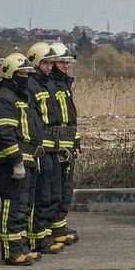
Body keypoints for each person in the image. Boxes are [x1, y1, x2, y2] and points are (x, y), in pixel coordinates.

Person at [0, 52, 40, 265]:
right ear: (9, 73)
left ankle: (21, 246)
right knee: (14, 205)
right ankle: (12, 251)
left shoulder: (21, 97)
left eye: (28, 73)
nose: (25, 77)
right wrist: (16, 161)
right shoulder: (4, 98)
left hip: (27, 158)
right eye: (21, 73)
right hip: (12, 161)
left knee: (25, 206)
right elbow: (5, 133)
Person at [28, 43, 67, 253]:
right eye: (44, 62)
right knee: (41, 195)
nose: (48, 66)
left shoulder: (49, 84)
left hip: (53, 147)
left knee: (53, 193)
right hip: (41, 148)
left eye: (50, 63)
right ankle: (37, 238)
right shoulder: (31, 86)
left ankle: (45, 235)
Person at [51, 46, 79, 245]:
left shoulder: (63, 84)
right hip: (55, 145)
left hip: (67, 144)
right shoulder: (48, 85)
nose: (67, 65)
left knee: (65, 188)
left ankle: (59, 225)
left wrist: (76, 140)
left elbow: (70, 117)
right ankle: (52, 227)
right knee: (53, 189)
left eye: (68, 62)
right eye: (63, 62)